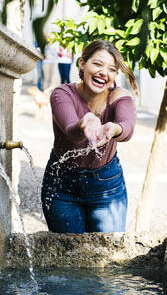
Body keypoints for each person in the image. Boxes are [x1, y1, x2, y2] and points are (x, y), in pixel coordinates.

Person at [41, 39, 138, 234]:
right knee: (68, 256)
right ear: (82, 64)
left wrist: (114, 128)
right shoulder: (62, 94)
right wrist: (84, 122)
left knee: (109, 255)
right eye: (98, 64)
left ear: (114, 76)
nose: (104, 72)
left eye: (112, 69)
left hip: (106, 185)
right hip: (61, 185)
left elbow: (127, 127)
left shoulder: (120, 97)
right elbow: (71, 132)